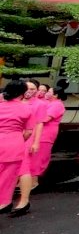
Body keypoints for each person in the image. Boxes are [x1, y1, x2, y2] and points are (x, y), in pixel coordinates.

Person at [0, 81, 36, 215]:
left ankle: (4, 203)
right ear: (22, 93)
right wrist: (20, 140)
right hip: (14, 142)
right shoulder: (26, 108)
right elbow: (28, 132)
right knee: (8, 176)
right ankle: (4, 202)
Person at [13, 79, 46, 217]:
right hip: (12, 137)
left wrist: (36, 142)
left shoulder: (40, 104)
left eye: (32, 89)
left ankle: (24, 198)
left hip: (28, 137)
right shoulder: (16, 101)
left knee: (23, 166)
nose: (29, 91)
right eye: (27, 88)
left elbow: (39, 124)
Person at [30, 87, 66, 185]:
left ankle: (34, 181)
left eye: (49, 92)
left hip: (46, 133)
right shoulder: (49, 103)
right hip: (40, 132)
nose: (46, 93)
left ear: (56, 95)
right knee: (34, 156)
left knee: (39, 156)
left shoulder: (57, 105)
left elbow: (45, 119)